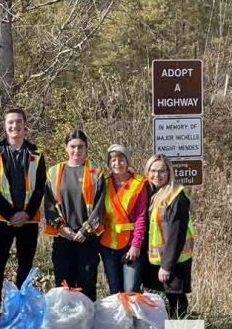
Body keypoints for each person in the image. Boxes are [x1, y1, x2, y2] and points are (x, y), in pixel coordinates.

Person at [0, 108, 46, 323]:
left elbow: (39, 189)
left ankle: (20, 307)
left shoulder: (36, 154)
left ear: (25, 125)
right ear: (5, 126)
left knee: (25, 264)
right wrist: (11, 214)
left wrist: (26, 213)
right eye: (10, 122)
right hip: (2, 219)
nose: (14, 126)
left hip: (29, 219)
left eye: (18, 122)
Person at [44, 129, 105, 301]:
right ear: (66, 148)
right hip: (64, 238)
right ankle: (64, 325)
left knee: (87, 285)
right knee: (63, 285)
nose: (76, 151)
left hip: (87, 239)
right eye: (72, 147)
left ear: (86, 148)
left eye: (80, 147)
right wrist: (62, 228)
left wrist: (84, 231)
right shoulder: (54, 172)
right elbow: (48, 205)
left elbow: (99, 207)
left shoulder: (95, 171)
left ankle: (87, 325)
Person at [143, 154, 195, 318]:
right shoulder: (155, 193)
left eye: (162, 171)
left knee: (178, 303)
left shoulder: (175, 197)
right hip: (160, 260)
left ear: (169, 172)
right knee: (170, 303)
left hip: (174, 262)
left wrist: (166, 266)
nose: (157, 175)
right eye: (153, 171)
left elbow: (176, 234)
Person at [99, 144, 148, 294]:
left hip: (131, 244)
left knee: (131, 290)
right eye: (113, 160)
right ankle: (119, 318)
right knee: (115, 291)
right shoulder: (103, 183)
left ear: (127, 162)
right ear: (109, 163)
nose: (117, 163)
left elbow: (141, 216)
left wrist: (136, 245)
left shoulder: (139, 184)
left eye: (121, 159)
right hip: (108, 245)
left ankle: (133, 317)